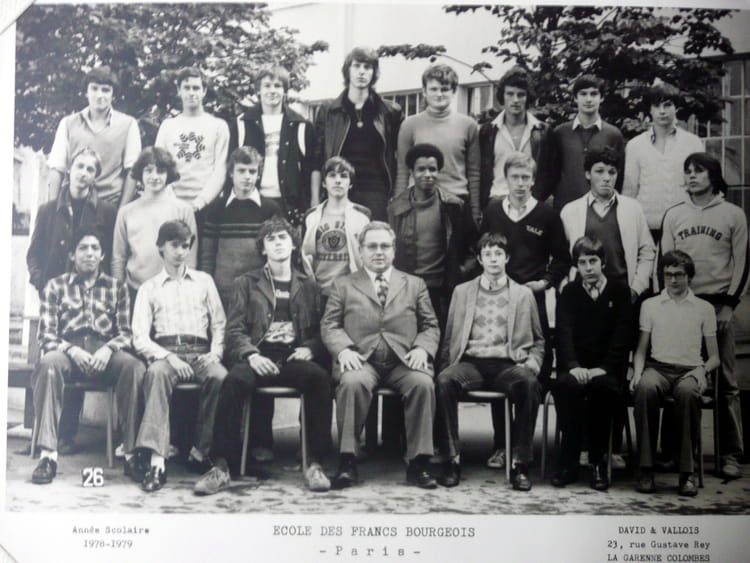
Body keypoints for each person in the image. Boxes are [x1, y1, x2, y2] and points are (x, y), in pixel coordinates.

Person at [194, 217, 333, 494]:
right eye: (271, 239)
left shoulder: (309, 285)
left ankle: (315, 463)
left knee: (319, 379)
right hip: (258, 355)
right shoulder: (246, 283)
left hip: (292, 358)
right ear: (262, 248)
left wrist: (311, 348)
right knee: (233, 381)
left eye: (283, 238)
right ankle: (221, 466)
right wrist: (251, 355)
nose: (278, 243)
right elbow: (234, 330)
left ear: (293, 245)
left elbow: (323, 330)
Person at [321, 221, 440, 489]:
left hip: (403, 360)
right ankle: (348, 460)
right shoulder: (343, 284)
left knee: (423, 383)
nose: (378, 252)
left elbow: (430, 325)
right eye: (372, 246)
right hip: (361, 359)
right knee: (351, 383)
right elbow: (329, 324)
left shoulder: (414, 284)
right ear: (361, 250)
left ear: (394, 250)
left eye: (385, 246)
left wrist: (422, 348)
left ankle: (419, 463)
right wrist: (343, 350)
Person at [29, 229, 145, 485]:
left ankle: (131, 453)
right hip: (67, 353)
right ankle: (48, 456)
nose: (89, 253)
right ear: (72, 255)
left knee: (134, 367)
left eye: (95, 248)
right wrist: (71, 349)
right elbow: (46, 334)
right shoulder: (55, 286)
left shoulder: (117, 288)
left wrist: (108, 349)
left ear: (102, 255)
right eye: (83, 248)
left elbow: (126, 333)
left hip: (106, 353)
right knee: (48, 365)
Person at [660, 152, 749, 479]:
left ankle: (730, 455)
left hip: (718, 306)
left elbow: (743, 263)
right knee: (676, 375)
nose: (692, 176)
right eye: (688, 171)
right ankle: (673, 453)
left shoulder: (733, 215)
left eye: (699, 171)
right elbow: (664, 263)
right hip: (682, 303)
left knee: (725, 382)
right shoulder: (674, 214)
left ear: (713, 176)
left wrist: (730, 305)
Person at [434, 232, 544, 490]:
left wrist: (533, 362)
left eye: (498, 254)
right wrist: (445, 366)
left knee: (529, 383)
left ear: (507, 258)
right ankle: (451, 459)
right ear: (480, 259)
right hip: (471, 363)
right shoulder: (462, 292)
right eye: (487, 254)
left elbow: (539, 339)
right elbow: (449, 338)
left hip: (508, 364)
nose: (493, 259)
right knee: (445, 381)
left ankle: (520, 463)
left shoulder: (523, 294)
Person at [27, 147, 117, 455]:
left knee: (81, 356)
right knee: (51, 362)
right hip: (55, 296)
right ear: (69, 170)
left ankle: (66, 435)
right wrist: (41, 283)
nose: (83, 173)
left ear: (96, 176)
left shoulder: (105, 211)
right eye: (79, 166)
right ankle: (42, 437)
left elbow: (109, 253)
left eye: (90, 169)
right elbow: (34, 253)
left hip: (89, 295)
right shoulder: (49, 209)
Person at [131, 220, 227, 492]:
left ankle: (200, 452)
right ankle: (156, 462)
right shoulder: (149, 288)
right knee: (155, 375)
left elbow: (219, 323)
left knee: (220, 377)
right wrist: (169, 357)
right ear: (161, 247)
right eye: (174, 245)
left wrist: (215, 352)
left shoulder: (204, 281)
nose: (180, 252)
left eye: (185, 246)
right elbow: (140, 337)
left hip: (200, 352)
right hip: (166, 353)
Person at [631, 250, 720, 496]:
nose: (673, 280)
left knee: (689, 394)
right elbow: (641, 350)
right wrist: (637, 373)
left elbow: (715, 357)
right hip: (658, 368)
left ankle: (686, 473)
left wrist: (702, 370)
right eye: (668, 274)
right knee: (645, 388)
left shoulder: (704, 308)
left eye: (679, 274)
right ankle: (646, 469)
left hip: (689, 371)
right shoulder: (650, 305)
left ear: (689, 277)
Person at [480, 151, 570, 389]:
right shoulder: (493, 211)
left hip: (532, 294)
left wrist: (545, 282)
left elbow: (562, 258)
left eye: (525, 177)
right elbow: (481, 249)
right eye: (515, 177)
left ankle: (532, 408)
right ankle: (502, 412)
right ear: (506, 178)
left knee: (539, 355)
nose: (520, 183)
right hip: (498, 294)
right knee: (500, 356)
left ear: (533, 180)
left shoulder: (547, 215)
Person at [550, 237, 632, 491]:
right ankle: (569, 461)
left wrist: (604, 368)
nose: (588, 267)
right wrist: (573, 365)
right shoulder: (569, 292)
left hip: (607, 368)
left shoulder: (620, 291)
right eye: (582, 262)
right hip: (576, 367)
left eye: (593, 261)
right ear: (576, 266)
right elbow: (563, 333)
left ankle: (597, 461)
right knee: (565, 386)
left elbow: (623, 335)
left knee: (602, 389)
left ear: (603, 262)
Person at [388, 143, 477, 330]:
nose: (427, 174)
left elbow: (473, 247)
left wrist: (460, 271)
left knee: (442, 337)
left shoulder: (455, 206)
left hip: (443, 288)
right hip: (408, 288)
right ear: (411, 172)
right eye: (421, 169)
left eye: (432, 169)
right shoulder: (396, 208)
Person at [312, 47, 402, 221]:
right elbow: (316, 159)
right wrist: (315, 200)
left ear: (374, 72)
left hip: (376, 192)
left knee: (373, 236)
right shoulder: (329, 111)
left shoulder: (389, 112)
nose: (362, 72)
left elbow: (399, 159)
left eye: (367, 67)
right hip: (338, 188)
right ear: (348, 70)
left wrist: (396, 196)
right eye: (357, 66)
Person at [561, 147, 655, 303]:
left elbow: (647, 252)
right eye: (599, 171)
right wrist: (567, 287)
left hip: (623, 293)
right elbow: (561, 257)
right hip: (583, 296)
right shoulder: (571, 211)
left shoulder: (633, 209)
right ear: (588, 174)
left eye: (612, 172)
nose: (606, 178)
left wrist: (636, 289)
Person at [226, 66, 314, 227]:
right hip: (250, 202)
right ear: (258, 90)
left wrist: (310, 206)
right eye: (267, 85)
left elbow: (310, 171)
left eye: (277, 86)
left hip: (288, 206)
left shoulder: (300, 125)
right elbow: (230, 167)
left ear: (285, 91)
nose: (272, 91)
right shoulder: (241, 124)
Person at [112, 147, 198, 307]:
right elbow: (118, 258)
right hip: (135, 291)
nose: (154, 176)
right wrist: (119, 295)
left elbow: (190, 258)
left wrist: (185, 291)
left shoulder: (183, 210)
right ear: (140, 173)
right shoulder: (126, 212)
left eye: (160, 171)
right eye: (148, 170)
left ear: (169, 174)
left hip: (173, 292)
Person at [395, 64, 481, 224]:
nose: (439, 94)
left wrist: (475, 212)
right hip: (420, 202)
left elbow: (474, 174)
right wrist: (399, 208)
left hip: (457, 203)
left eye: (445, 89)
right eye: (433, 89)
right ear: (424, 91)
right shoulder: (409, 125)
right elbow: (402, 172)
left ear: (454, 91)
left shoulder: (469, 125)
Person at [199, 146, 282, 307]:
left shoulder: (270, 209)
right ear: (231, 173)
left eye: (252, 171)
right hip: (223, 291)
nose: (247, 176)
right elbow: (207, 256)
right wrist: (207, 289)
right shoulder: (217, 208)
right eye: (241, 171)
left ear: (258, 174)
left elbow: (277, 253)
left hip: (259, 291)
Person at [47, 66, 141, 207]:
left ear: (113, 94)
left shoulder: (128, 125)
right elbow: (57, 168)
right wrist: (52, 209)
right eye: (94, 88)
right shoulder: (68, 123)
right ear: (86, 91)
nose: (99, 95)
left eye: (105, 90)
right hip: (72, 204)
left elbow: (132, 172)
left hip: (109, 205)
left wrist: (122, 211)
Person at [623, 82, 704, 241]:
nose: (662, 111)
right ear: (650, 109)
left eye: (667, 105)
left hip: (685, 227)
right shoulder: (635, 145)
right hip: (647, 228)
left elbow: (702, 186)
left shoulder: (693, 143)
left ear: (676, 108)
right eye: (656, 106)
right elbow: (630, 190)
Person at [536, 75, 625, 210]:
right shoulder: (560, 133)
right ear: (575, 98)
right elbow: (549, 175)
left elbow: (619, 178)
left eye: (593, 94)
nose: (588, 99)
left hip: (601, 211)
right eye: (583, 94)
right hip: (565, 209)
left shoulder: (613, 134)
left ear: (601, 98)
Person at [155, 67, 230, 213]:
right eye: (186, 88)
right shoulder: (167, 126)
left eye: (196, 88)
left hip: (207, 206)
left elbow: (220, 170)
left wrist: (199, 203)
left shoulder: (218, 126)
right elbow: (160, 166)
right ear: (179, 90)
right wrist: (173, 202)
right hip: (171, 205)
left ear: (204, 91)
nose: (191, 93)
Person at [479, 66, 551, 208]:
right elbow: (480, 172)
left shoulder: (542, 131)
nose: (515, 100)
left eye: (521, 95)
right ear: (502, 96)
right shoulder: (488, 131)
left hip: (530, 204)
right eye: (510, 94)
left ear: (528, 97)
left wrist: (537, 199)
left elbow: (550, 173)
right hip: (496, 202)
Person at [301, 156, 371, 299]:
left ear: (350, 184)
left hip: (351, 293)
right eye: (332, 175)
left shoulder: (363, 216)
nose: (338, 180)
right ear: (323, 183)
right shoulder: (311, 216)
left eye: (344, 176)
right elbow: (305, 256)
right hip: (319, 293)